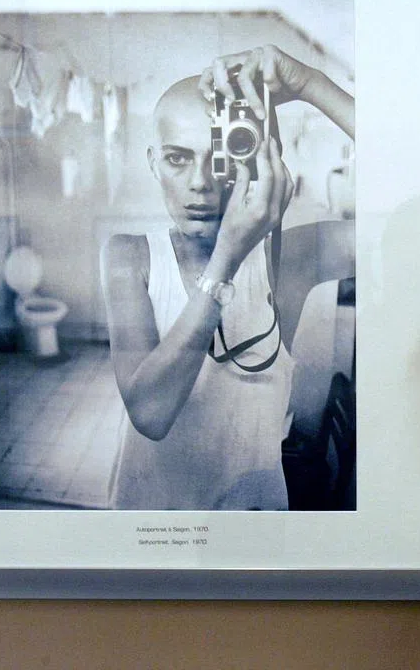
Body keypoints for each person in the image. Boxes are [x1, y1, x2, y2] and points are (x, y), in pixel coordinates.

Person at [101, 45, 355, 511]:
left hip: (250, 527)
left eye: (221, 155)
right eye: (178, 158)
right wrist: (227, 258)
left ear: (251, 160)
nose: (200, 182)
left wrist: (309, 85)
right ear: (153, 162)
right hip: (149, 527)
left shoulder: (286, 261)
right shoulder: (129, 255)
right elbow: (151, 413)